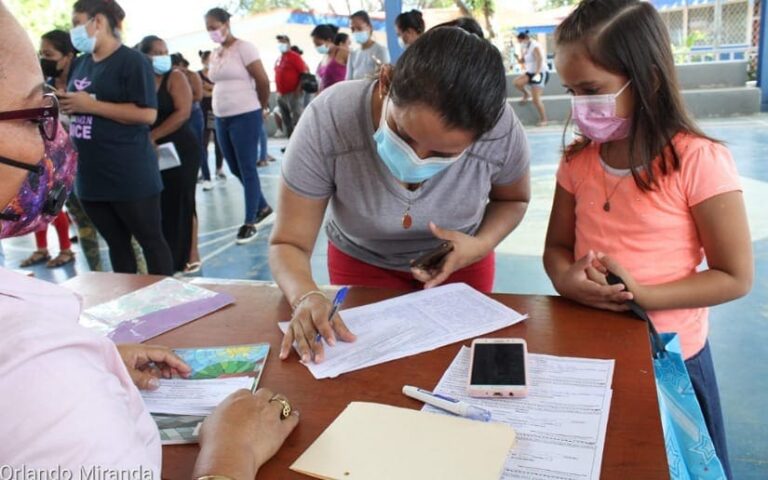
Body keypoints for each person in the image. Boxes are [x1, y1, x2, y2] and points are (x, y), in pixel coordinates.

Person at [0, 3, 299, 476]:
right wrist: (229, 452)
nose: (53, 135)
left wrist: (99, 359)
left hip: (131, 173)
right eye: (38, 111)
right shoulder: (37, 377)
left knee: (153, 243)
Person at [543, 1, 754, 477]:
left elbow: (735, 276)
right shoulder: (577, 163)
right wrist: (566, 280)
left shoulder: (698, 161)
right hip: (593, 350)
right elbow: (556, 249)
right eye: (572, 91)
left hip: (672, 359)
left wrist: (645, 296)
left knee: (677, 465)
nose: (580, 106)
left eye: (591, 90)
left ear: (648, 80)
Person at [271, 21, 531, 364]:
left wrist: (480, 245)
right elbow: (288, 242)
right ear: (386, 83)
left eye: (443, 154)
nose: (417, 159)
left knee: (458, 366)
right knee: (364, 369)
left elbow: (513, 199)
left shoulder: (500, 130)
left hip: (459, 263)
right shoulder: (330, 119)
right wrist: (306, 295)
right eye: (405, 136)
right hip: (362, 261)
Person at [59, 0, 173, 275]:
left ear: (97, 21)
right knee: (117, 245)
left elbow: (147, 114)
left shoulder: (132, 62)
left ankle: (170, 305)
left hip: (129, 173)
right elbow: (79, 107)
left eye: (77, 22)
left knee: (150, 241)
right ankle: (130, 305)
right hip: (91, 177)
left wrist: (92, 106)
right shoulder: (81, 64)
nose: (74, 30)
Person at [205, 7, 274, 244]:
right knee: (234, 167)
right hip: (222, 117)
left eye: (215, 27)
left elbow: (263, 80)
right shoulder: (215, 54)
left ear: (226, 24)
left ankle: (250, 221)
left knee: (247, 167)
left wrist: (262, 106)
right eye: (209, 29)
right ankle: (263, 207)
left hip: (245, 114)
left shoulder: (245, 48)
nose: (212, 32)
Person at [138, 36, 202, 275]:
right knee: (162, 202)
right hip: (151, 152)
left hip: (180, 147)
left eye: (165, 51)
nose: (163, 56)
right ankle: (170, 255)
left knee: (184, 199)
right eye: (157, 52)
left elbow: (183, 112)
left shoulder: (175, 77)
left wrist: (153, 136)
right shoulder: (140, 78)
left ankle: (190, 253)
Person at [198, 50, 226, 183]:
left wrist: (211, 88)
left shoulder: (218, 74)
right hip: (203, 112)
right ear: (203, 61)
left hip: (216, 111)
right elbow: (202, 93)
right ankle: (204, 171)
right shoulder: (198, 75)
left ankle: (219, 168)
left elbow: (222, 89)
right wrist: (212, 89)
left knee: (219, 142)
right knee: (203, 143)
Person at [275, 34, 309, 139]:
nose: (281, 45)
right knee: (287, 121)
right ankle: (290, 142)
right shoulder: (280, 59)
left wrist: (298, 89)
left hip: (293, 93)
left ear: (289, 43)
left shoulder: (294, 57)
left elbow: (303, 73)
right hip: (281, 94)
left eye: (283, 42)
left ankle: (300, 142)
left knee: (297, 119)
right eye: (279, 42)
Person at [512, 31, 548, 127]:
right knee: (517, 83)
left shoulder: (534, 45)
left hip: (540, 72)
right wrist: (518, 59)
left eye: (520, 41)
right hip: (530, 72)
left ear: (524, 38)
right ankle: (526, 94)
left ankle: (544, 119)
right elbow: (523, 60)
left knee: (536, 99)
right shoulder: (525, 46)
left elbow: (540, 59)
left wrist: (537, 73)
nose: (519, 43)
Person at [345, 10, 390, 81]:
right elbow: (348, 80)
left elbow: (382, 80)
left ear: (369, 27)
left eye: (359, 28)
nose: (355, 32)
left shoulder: (380, 51)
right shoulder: (353, 54)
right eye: (352, 29)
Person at [312, 24, 349, 91]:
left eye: (319, 44)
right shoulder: (324, 57)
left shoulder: (343, 52)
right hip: (325, 96)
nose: (317, 47)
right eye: (315, 45)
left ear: (329, 40)